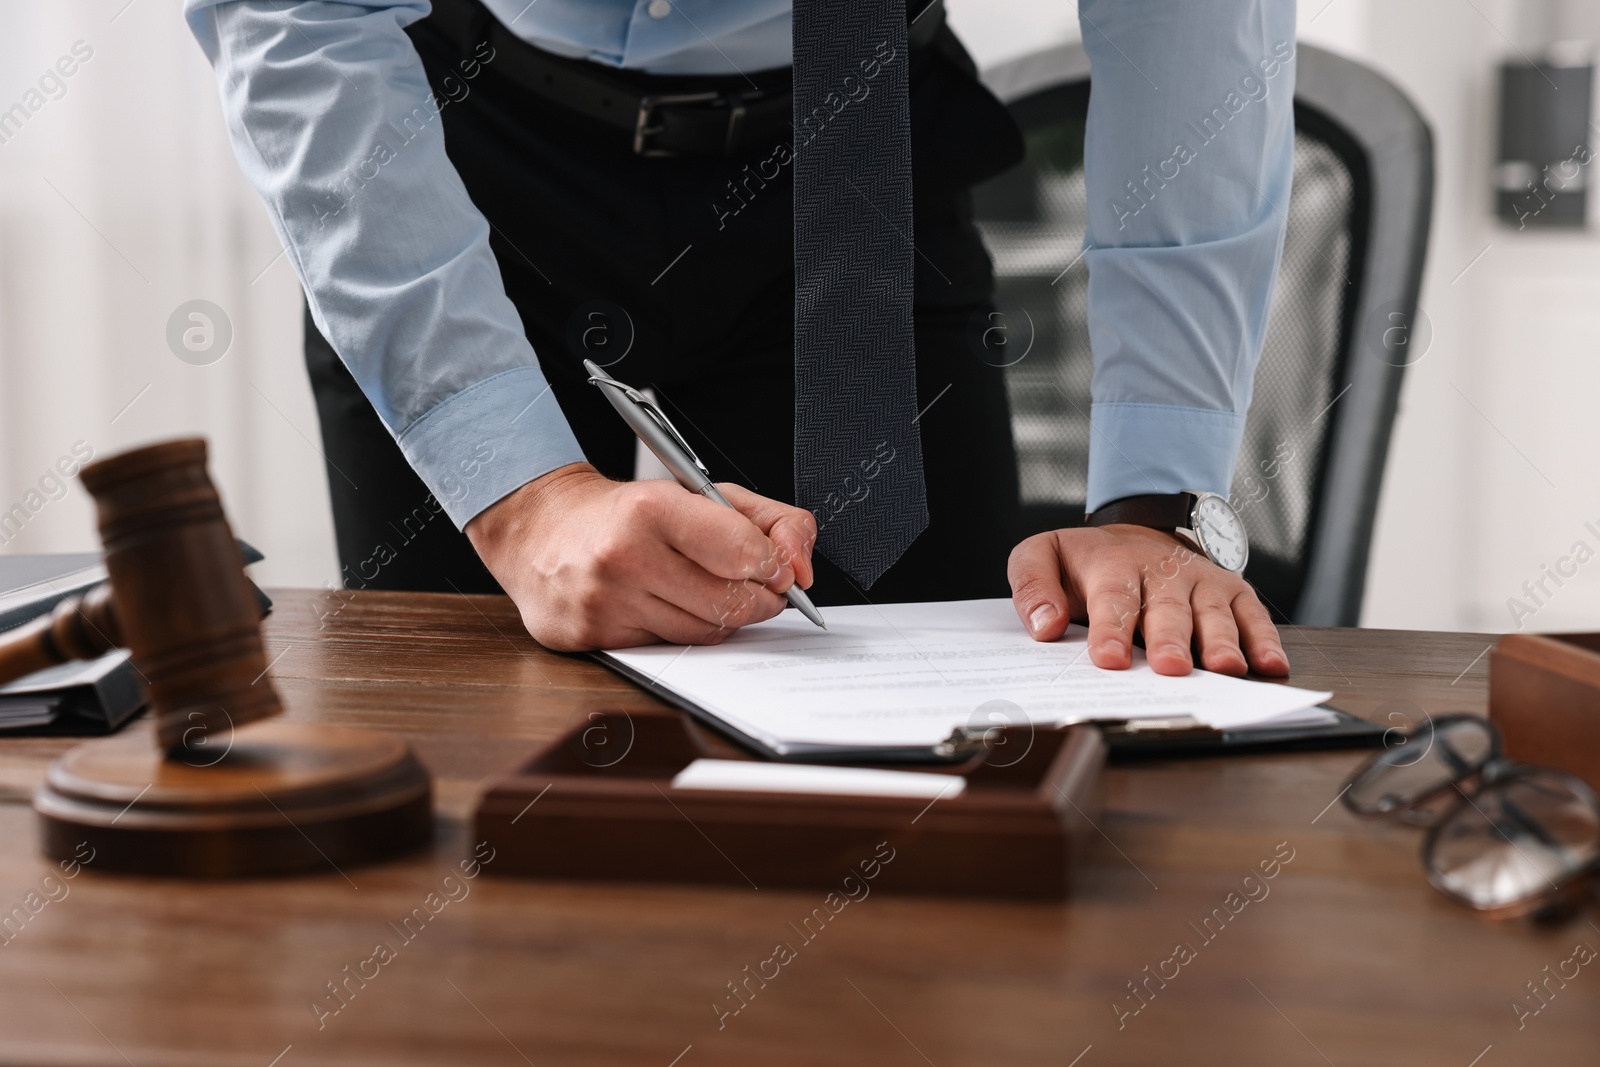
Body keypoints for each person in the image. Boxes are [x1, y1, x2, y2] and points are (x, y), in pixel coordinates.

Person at [184, 0, 1294, 678]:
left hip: (854, 147)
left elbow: (1192, 20)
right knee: (452, 783)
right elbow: (297, 13)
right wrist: (520, 497)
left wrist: (1157, 508)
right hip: (457, 158)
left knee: (922, 794)